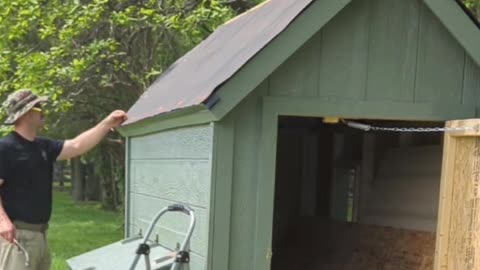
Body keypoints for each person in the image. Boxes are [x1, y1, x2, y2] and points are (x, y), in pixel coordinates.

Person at [0, 89, 128, 270]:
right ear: (27, 113)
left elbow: (76, 145)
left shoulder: (43, 146)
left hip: (40, 236)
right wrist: (2, 222)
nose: (44, 111)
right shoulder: (5, 148)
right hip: (16, 237)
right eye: (39, 107)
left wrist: (107, 123)